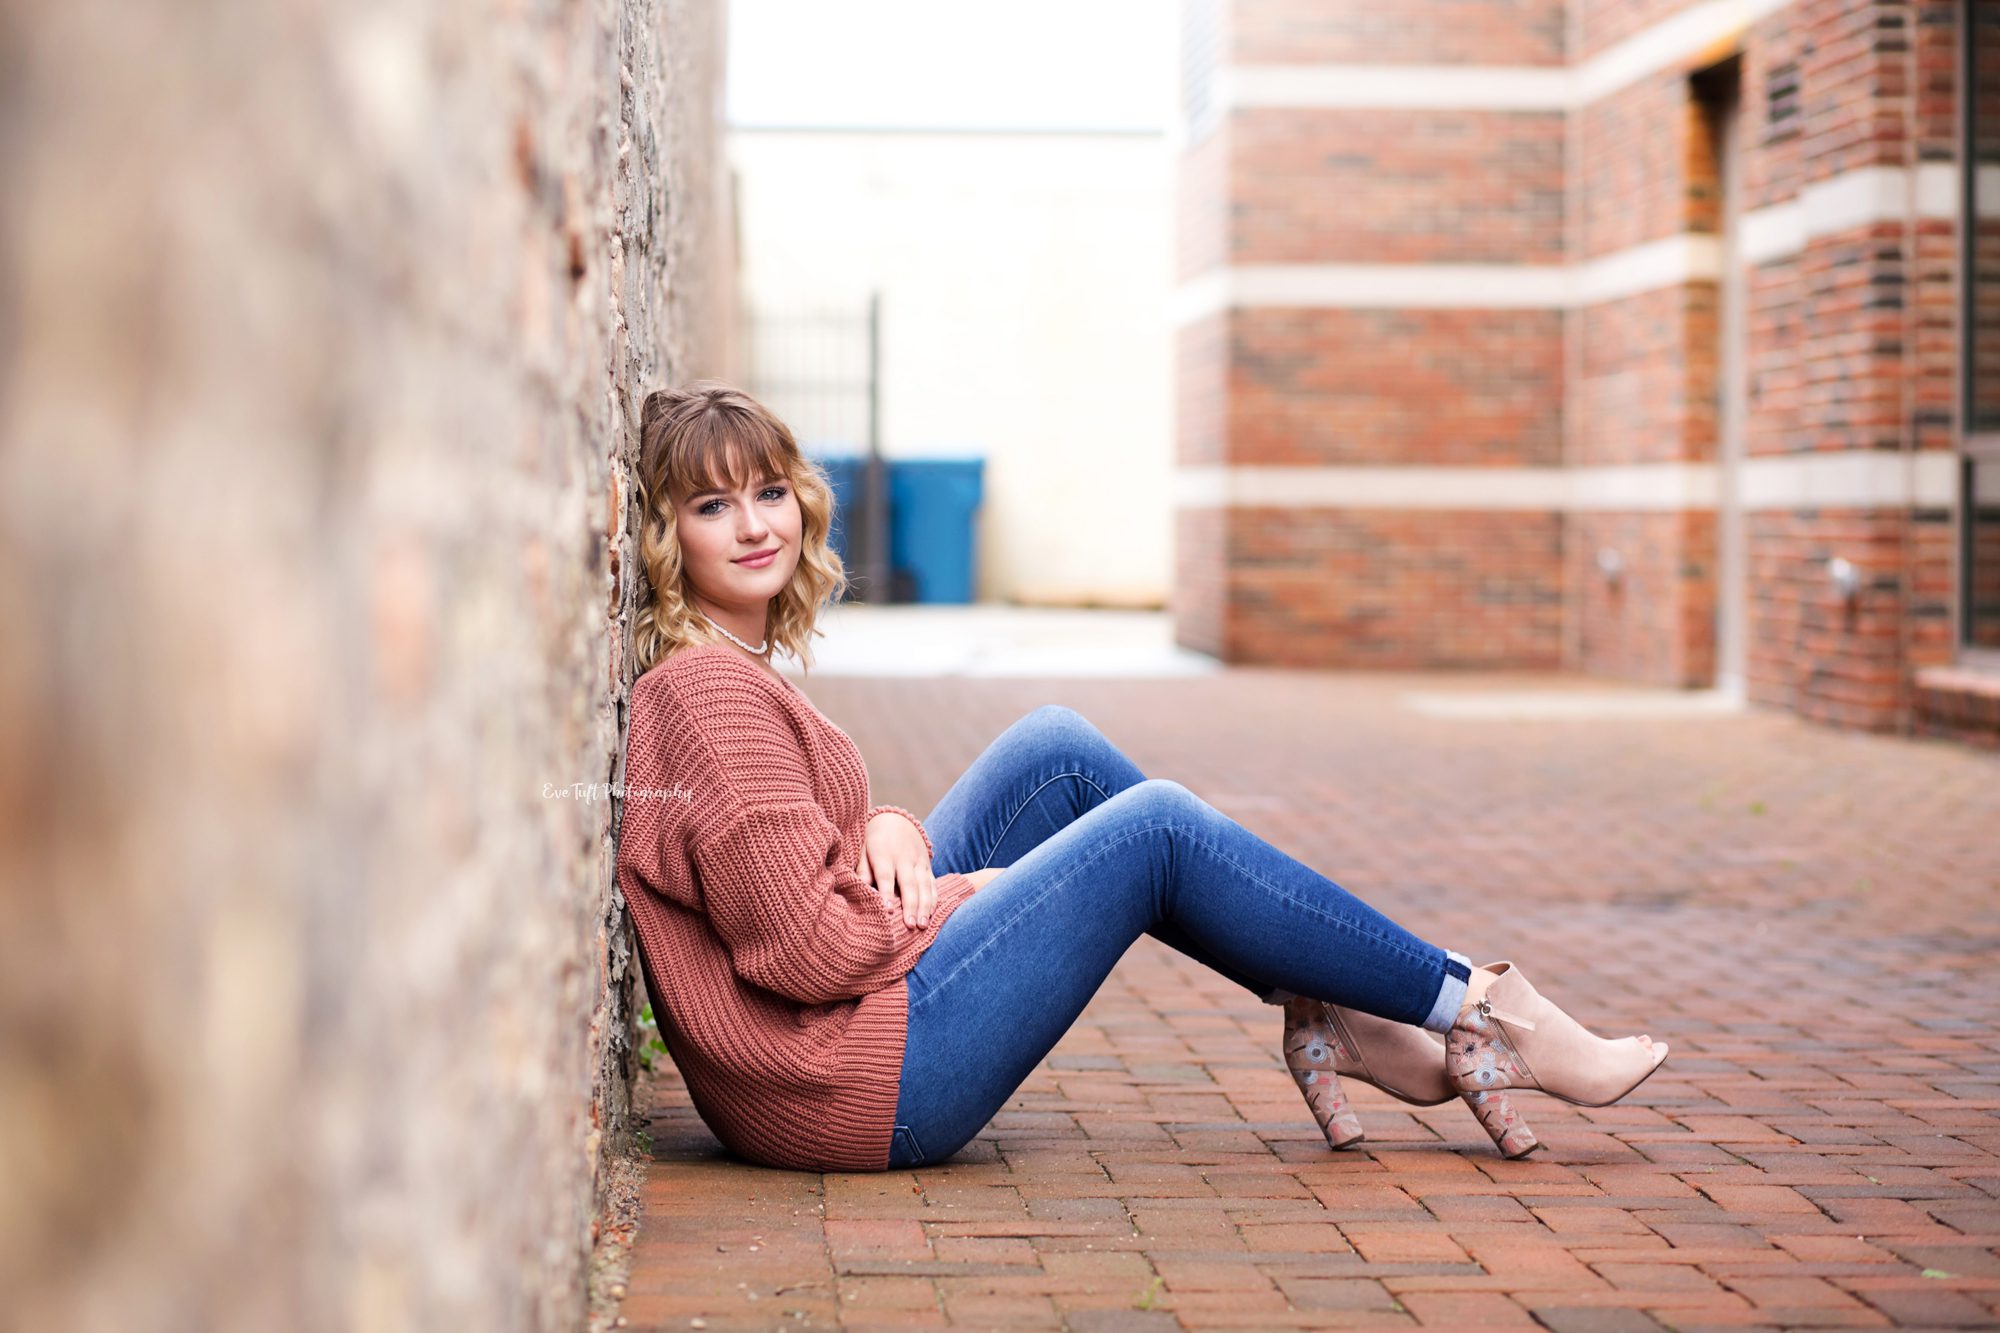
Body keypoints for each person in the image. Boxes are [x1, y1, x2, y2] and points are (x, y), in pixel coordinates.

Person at [614, 380, 1667, 1174]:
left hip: (851, 1035)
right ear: (668, 537)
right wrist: (961, 891)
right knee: (1152, 828)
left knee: (1054, 750)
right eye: (711, 508)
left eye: (765, 492)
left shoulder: (728, 670)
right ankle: (1474, 1004)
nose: (755, 526)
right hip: (856, 1082)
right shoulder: (707, 696)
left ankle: (1339, 1005)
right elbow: (806, 948)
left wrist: (890, 819)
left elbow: (804, 850)